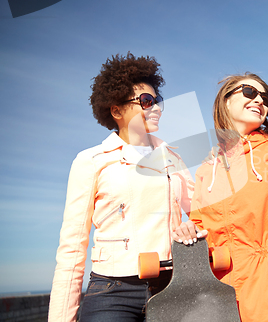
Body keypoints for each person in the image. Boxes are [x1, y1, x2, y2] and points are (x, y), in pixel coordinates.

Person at [48, 53, 194, 322]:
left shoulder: (173, 157)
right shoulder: (90, 161)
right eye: (146, 102)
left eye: (157, 101)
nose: (157, 108)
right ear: (116, 110)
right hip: (111, 293)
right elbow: (72, 247)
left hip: (171, 285)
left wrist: (193, 227)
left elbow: (203, 211)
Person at [173, 73, 268, 322]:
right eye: (250, 93)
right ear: (225, 101)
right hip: (220, 299)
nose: (260, 101)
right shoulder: (206, 169)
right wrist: (187, 232)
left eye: (264, 97)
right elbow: (201, 231)